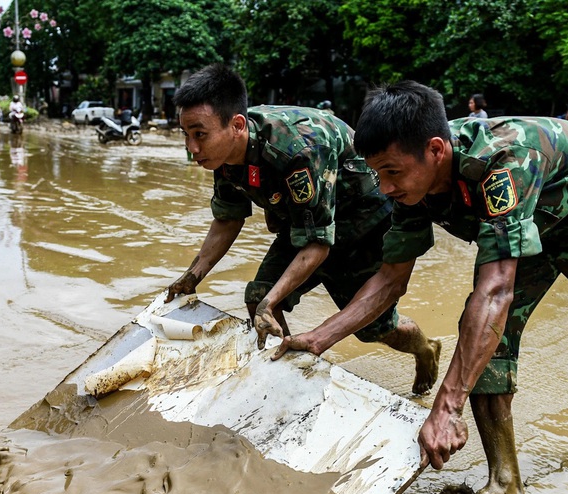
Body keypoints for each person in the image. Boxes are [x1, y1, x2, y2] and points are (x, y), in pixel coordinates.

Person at [274, 80, 568, 494]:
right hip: (534, 234)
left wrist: (446, 408)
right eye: (377, 175)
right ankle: (506, 485)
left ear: (435, 150)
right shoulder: (413, 187)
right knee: (488, 341)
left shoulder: (503, 163)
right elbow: (390, 279)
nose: (384, 187)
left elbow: (496, 290)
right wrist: (318, 338)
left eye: (392, 171)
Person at [168, 64, 441, 394]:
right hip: (307, 220)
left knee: (375, 328)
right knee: (258, 298)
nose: (191, 148)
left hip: (362, 220)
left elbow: (317, 246)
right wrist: (193, 276)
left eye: (199, 135)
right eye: (186, 134)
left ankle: (426, 349)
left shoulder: (297, 149)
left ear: (236, 126)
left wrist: (272, 302)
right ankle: (288, 382)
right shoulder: (222, 153)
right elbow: (227, 219)